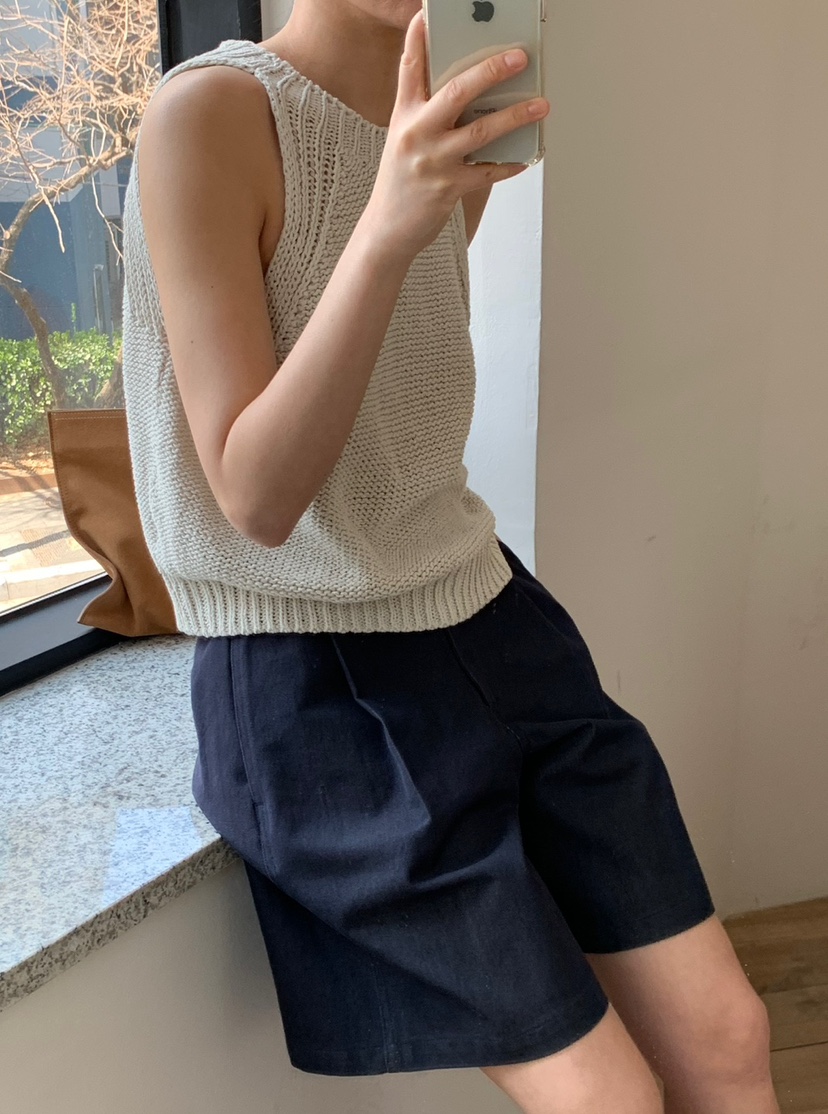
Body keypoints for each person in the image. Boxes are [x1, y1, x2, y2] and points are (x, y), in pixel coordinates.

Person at [122, 2, 780, 1111]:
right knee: (606, 1097)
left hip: (492, 618)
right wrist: (392, 219)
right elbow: (256, 498)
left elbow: (388, 387)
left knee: (729, 1035)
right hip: (318, 678)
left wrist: (429, 198)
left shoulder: (439, 110)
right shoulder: (208, 115)